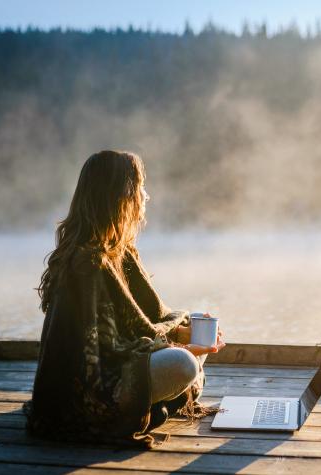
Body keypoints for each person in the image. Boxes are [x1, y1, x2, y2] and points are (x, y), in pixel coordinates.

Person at [23, 150, 225, 447]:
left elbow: (145, 325)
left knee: (195, 325)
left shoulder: (121, 253)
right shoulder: (87, 264)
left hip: (123, 359)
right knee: (182, 364)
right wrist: (182, 348)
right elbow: (103, 352)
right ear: (120, 196)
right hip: (89, 393)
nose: (146, 196)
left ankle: (154, 405)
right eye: (140, 187)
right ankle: (152, 405)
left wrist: (186, 335)